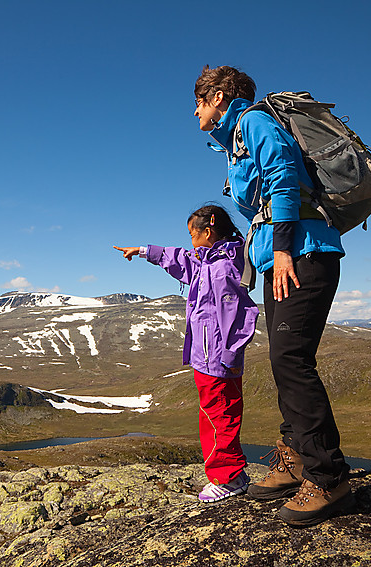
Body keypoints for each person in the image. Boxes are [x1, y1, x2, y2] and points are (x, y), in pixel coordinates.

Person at [193, 64, 355, 526]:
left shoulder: (253, 122)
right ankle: (294, 456)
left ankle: (328, 477)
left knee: (292, 360)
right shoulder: (237, 137)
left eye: (201, 101)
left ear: (221, 96)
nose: (196, 111)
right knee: (286, 356)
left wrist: (281, 249)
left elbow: (283, 175)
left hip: (301, 252)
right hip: (285, 254)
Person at [114, 204, 258, 503]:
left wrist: (230, 353)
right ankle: (234, 473)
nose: (191, 242)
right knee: (212, 413)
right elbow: (178, 258)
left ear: (209, 230)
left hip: (218, 356)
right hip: (205, 354)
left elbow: (242, 313)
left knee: (220, 415)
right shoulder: (207, 262)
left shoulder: (227, 266)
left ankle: (228, 478)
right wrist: (142, 251)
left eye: (194, 235)